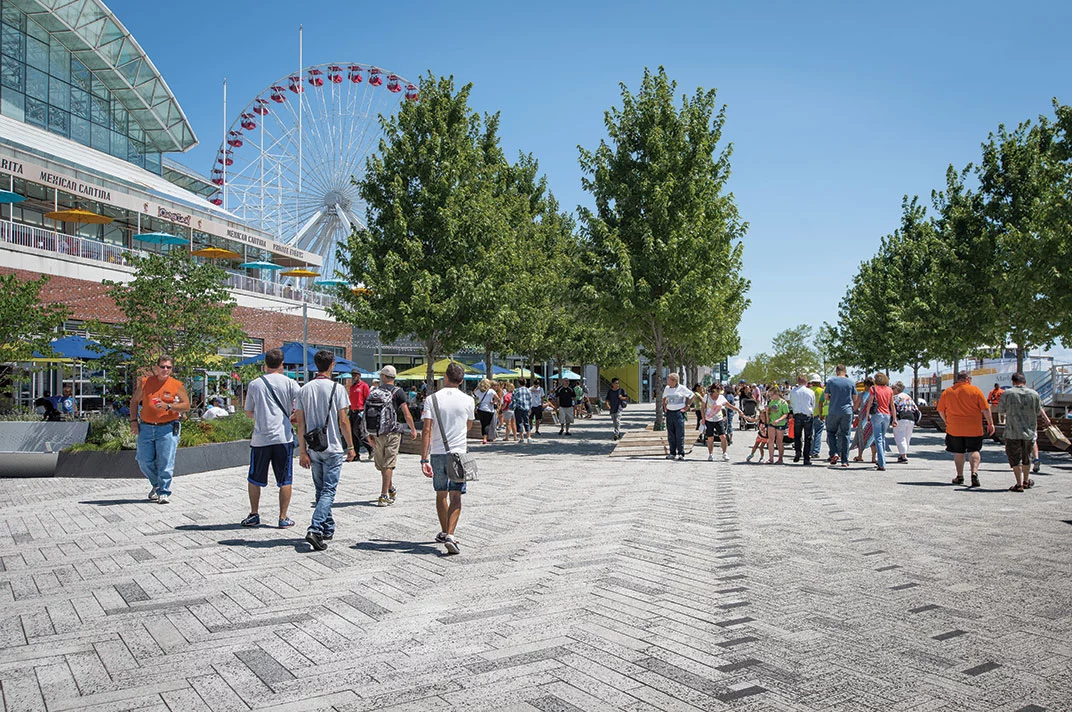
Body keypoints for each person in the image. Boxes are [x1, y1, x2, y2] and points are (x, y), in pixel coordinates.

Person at [294, 350, 355, 551]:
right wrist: (351, 446)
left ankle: (328, 527)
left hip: (313, 447)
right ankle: (315, 528)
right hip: (333, 446)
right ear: (332, 365)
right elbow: (344, 421)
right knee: (329, 491)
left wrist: (302, 451)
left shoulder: (304, 390)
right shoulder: (337, 389)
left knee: (321, 490)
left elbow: (300, 424)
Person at [241, 348, 300, 528]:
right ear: (282, 364)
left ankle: (254, 513)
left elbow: (248, 412)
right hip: (283, 437)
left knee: (254, 478)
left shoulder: (255, 384)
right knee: (285, 479)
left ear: (265, 363)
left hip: (261, 438)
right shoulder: (290, 383)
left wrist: (261, 414)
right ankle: (283, 517)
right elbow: (299, 410)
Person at [420, 362, 474, 555]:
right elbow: (468, 426)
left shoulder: (432, 399)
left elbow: (426, 429)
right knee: (456, 495)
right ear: (461, 380)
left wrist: (423, 459)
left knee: (441, 493)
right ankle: (451, 535)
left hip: (437, 452)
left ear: (445, 377)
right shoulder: (468, 400)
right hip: (460, 452)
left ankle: (445, 531)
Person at [130, 355, 190, 505]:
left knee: (166, 461)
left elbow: (186, 406)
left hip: (168, 427)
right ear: (157, 367)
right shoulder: (145, 382)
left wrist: (168, 406)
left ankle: (163, 492)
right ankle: (157, 484)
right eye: (162, 366)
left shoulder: (176, 385)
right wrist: (133, 422)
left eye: (168, 367)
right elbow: (134, 401)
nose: (165, 369)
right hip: (146, 426)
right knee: (143, 460)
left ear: (172, 369)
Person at [365, 365, 418, 507]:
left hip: (376, 432)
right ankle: (383, 495)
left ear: (383, 377)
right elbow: (406, 413)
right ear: (394, 377)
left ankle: (390, 488)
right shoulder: (398, 392)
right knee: (388, 464)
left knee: (383, 464)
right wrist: (413, 429)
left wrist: (369, 433)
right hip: (393, 432)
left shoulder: (375, 392)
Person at [936, 371, 995, 488]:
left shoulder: (947, 392)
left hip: (954, 428)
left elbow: (941, 410)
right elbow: (985, 409)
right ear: (967, 379)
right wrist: (990, 423)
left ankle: (960, 476)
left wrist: (947, 421)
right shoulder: (975, 391)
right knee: (974, 450)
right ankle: (974, 473)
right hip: (974, 428)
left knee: (959, 452)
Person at [997, 372, 1051, 492]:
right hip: (1029, 430)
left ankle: (1018, 483)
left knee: (1014, 458)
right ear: (1025, 382)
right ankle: (1026, 481)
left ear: (1013, 382)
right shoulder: (1034, 394)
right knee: (1027, 457)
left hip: (1012, 431)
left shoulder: (1007, 393)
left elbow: (1001, 410)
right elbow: (1038, 410)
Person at [702, 383, 744, 461]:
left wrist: (738, 410)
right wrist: (703, 418)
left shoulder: (721, 397)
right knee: (710, 438)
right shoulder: (706, 397)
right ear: (713, 391)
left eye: (719, 392)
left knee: (723, 437)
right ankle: (710, 454)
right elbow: (702, 408)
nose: (717, 394)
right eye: (716, 392)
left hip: (719, 419)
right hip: (709, 420)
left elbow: (729, 405)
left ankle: (724, 453)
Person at [868, 373, 896, 471]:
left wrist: (867, 414)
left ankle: (881, 463)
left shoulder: (873, 389)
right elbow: (892, 405)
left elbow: (870, 402)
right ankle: (882, 460)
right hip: (887, 415)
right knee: (883, 438)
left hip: (877, 414)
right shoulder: (889, 390)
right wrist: (895, 419)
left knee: (878, 439)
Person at [662, 372, 693, 460]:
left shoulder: (681, 388)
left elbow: (692, 396)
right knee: (671, 434)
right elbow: (664, 397)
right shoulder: (667, 388)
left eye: (669, 379)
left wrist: (687, 406)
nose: (667, 381)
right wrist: (665, 406)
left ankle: (680, 453)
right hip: (670, 413)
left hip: (678, 413)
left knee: (679, 433)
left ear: (674, 381)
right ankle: (672, 453)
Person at [789, 374, 816, 465]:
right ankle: (806, 458)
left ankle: (798, 451)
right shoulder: (810, 392)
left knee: (797, 436)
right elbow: (813, 404)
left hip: (797, 415)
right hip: (807, 415)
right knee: (808, 437)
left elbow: (791, 403)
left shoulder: (793, 392)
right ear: (806, 382)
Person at [347, 370, 373, 461]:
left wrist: (365, 411)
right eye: (352, 375)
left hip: (360, 411)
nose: (353, 377)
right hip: (352, 411)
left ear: (359, 375)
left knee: (357, 431)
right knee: (352, 434)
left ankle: (370, 448)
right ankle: (356, 454)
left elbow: (368, 399)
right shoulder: (352, 387)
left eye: (355, 375)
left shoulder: (364, 386)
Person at [891, 381, 919, 463]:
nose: (891, 390)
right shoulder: (908, 397)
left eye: (893, 388)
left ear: (896, 389)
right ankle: (903, 454)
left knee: (900, 437)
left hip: (901, 417)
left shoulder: (895, 397)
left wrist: (893, 419)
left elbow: (893, 408)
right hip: (911, 418)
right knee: (907, 437)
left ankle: (903, 456)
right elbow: (915, 408)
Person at [852, 377, 877, 463]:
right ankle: (873, 457)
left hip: (863, 418)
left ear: (865, 385)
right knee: (872, 438)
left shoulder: (862, 395)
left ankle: (860, 456)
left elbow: (855, 407)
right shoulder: (875, 395)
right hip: (873, 417)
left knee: (861, 437)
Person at [766, 385, 789, 464]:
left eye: (772, 395)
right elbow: (769, 412)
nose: (771, 397)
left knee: (779, 441)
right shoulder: (771, 402)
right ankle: (771, 458)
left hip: (780, 423)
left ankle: (780, 458)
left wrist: (779, 420)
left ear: (777, 394)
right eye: (770, 395)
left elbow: (786, 414)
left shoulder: (783, 402)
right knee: (771, 440)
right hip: (771, 423)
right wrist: (766, 411)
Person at [473, 378, 499, 444]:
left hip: (481, 409)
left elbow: (474, 392)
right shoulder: (491, 391)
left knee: (483, 424)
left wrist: (478, 387)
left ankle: (485, 437)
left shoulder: (478, 391)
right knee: (487, 424)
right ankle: (485, 438)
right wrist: (493, 402)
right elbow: (497, 398)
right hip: (489, 409)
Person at [809, 376, 825, 459]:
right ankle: (815, 451)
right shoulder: (821, 391)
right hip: (819, 414)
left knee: (809, 433)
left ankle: (809, 450)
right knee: (818, 433)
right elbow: (822, 403)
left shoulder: (809, 390)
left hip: (809, 414)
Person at [511, 379, 533, 443]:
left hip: (518, 408)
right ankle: (529, 437)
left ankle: (522, 438)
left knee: (519, 422)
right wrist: (530, 408)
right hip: (526, 408)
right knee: (526, 422)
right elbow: (530, 400)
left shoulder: (516, 390)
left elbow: (513, 400)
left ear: (519, 383)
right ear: (525, 383)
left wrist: (512, 407)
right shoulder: (528, 390)